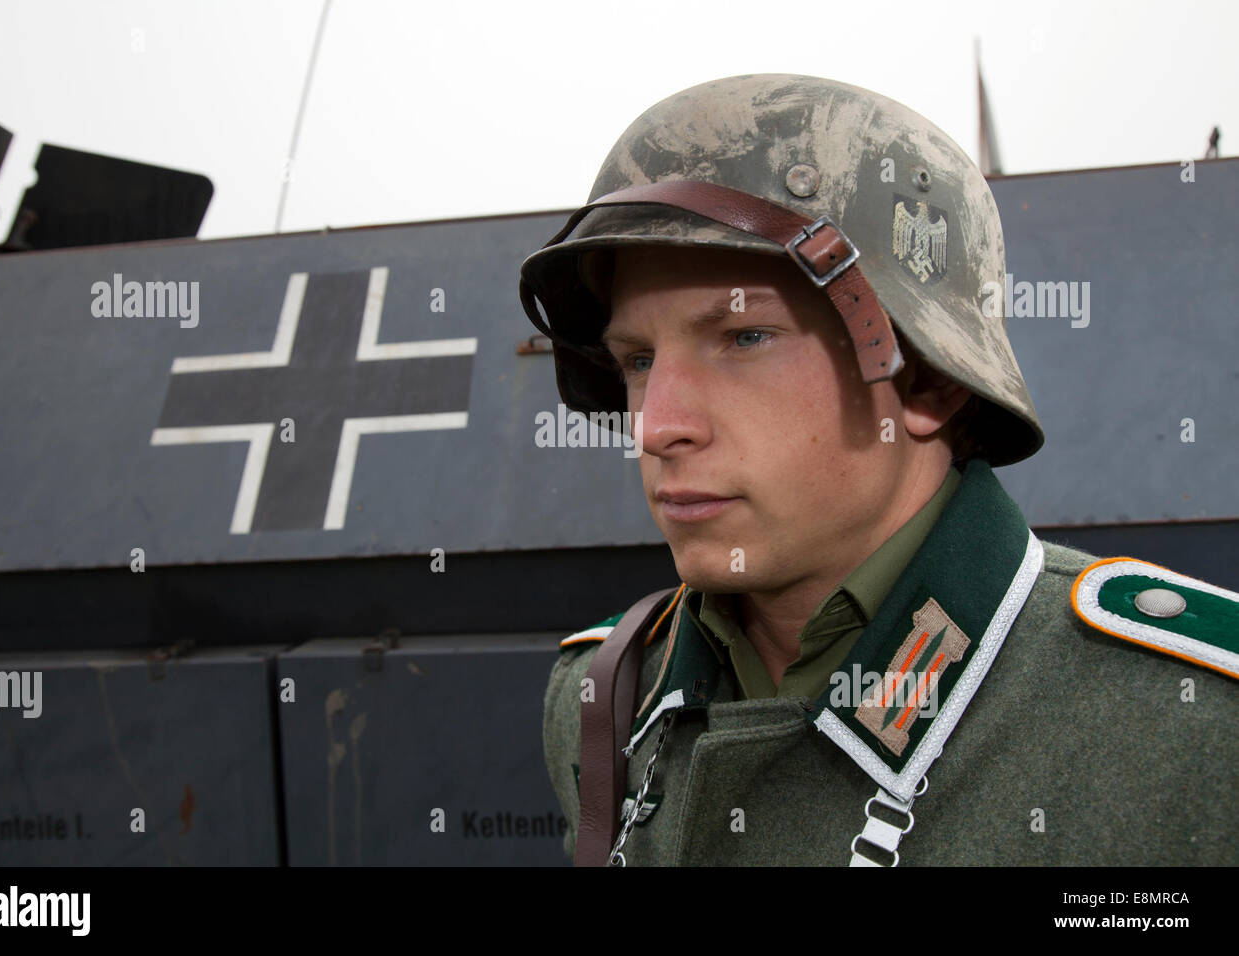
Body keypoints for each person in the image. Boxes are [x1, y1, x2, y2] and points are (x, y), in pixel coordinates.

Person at [518, 74, 1238, 866]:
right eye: (639, 359)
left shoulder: (1190, 728)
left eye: (745, 338)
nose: (658, 426)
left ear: (930, 383)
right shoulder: (606, 697)